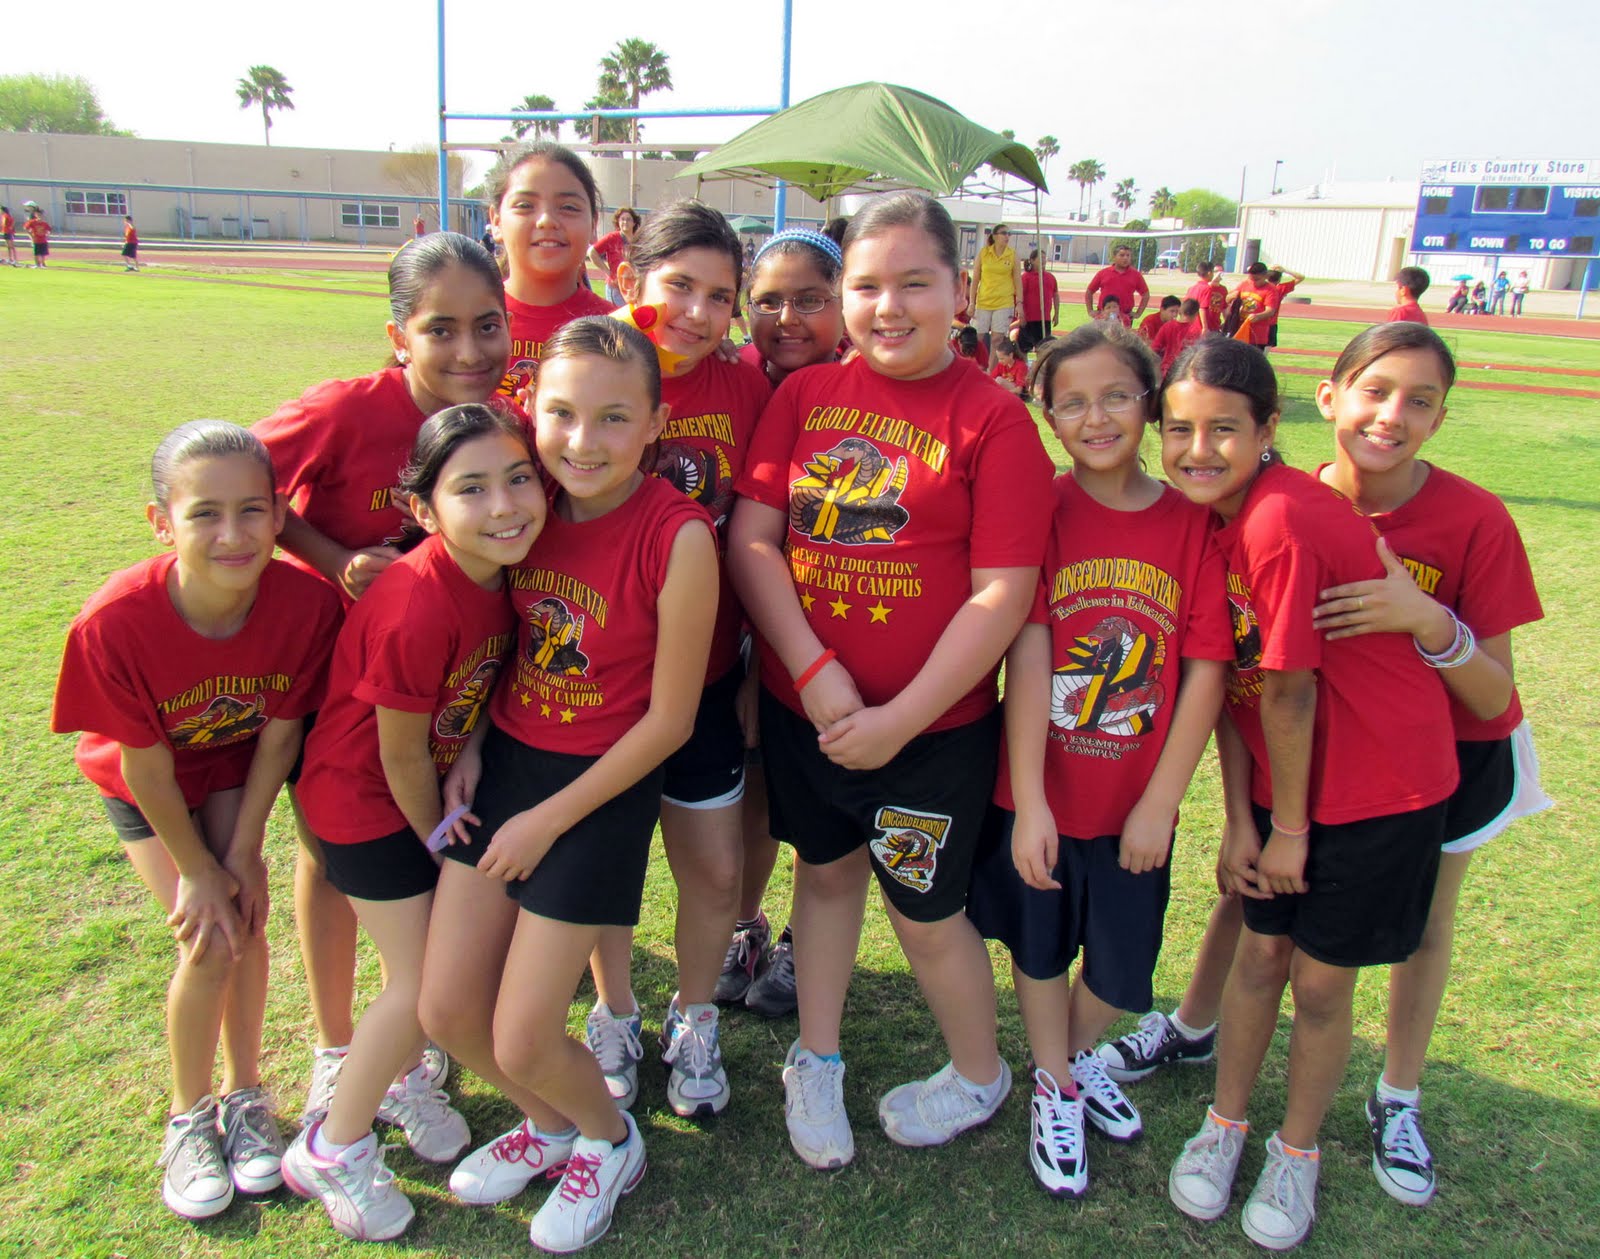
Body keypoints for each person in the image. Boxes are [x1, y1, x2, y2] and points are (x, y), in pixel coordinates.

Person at [729, 192, 1054, 1170]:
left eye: (915, 282)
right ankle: (815, 1055)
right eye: (866, 285)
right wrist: (816, 671)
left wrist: (902, 718)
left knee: (924, 909)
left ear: (961, 291)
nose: (888, 306)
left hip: (935, 732)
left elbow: (1003, 594)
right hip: (809, 713)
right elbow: (753, 538)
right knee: (822, 876)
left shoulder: (993, 421)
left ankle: (977, 1070)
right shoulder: (802, 397)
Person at [422, 317, 717, 1251]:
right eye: (560, 414)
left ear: (655, 425)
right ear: (530, 412)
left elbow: (667, 722)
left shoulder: (678, 535)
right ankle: (550, 1125)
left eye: (611, 418)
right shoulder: (527, 503)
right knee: (446, 1011)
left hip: (598, 793)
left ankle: (609, 1137)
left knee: (521, 1035)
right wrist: (469, 738)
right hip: (508, 765)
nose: (581, 441)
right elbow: (491, 631)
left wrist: (549, 820)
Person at [1157, 338, 1458, 1251]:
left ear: (1269, 431)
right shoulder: (1213, 518)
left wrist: (1288, 829)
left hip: (1379, 788)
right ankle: (1226, 1124)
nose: (1198, 449)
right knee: (1256, 959)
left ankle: (1298, 1150)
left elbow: (1290, 688)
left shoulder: (1278, 518)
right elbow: (1242, 689)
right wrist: (1244, 818)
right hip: (1289, 788)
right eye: (1179, 429)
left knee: (1321, 985)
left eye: (1223, 430)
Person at [251, 232, 512, 1122]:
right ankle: (337, 1045)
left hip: (438, 692)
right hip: (328, 680)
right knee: (326, 850)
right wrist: (333, 557)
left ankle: (407, 1043)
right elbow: (243, 480)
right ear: (399, 335)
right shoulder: (345, 409)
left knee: (396, 867)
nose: (470, 351)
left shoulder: (497, 422)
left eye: (488, 324)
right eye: (442, 329)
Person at [51, 421, 341, 1221]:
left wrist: (243, 851)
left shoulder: (306, 602)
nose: (232, 533)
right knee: (211, 932)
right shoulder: (116, 619)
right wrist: (200, 868)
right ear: (160, 522)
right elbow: (143, 763)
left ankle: (246, 1097)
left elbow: (281, 731)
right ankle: (188, 1116)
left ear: (281, 514)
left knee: (247, 912)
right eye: (204, 513)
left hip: (234, 764)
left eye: (252, 510)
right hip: (150, 781)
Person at [966, 322, 1230, 1198]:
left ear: (1150, 404)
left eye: (1117, 395)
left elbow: (1203, 671)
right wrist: (1031, 800)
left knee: (1120, 971)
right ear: (1046, 415)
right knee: (1038, 954)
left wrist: (1161, 799)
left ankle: (1074, 1058)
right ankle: (1058, 1082)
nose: (1097, 416)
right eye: (1071, 401)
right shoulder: (1041, 505)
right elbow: (1028, 649)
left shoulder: (1190, 521)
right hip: (1042, 787)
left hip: (1132, 802)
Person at [283, 405, 545, 1241]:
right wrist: (438, 843)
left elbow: (462, 695)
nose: (504, 504)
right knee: (423, 983)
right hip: (365, 806)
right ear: (424, 512)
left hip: (413, 791)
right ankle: (335, 1144)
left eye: (518, 478)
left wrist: (466, 744)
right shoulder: (414, 601)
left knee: (433, 976)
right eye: (472, 488)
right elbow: (397, 754)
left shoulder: (500, 569)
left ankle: (395, 1081)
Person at [1310, 323, 1547, 1207]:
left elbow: (1494, 696)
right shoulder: (1292, 500)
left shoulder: (1473, 517)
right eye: (1375, 390)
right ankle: (1191, 1026)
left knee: (1426, 922)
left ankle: (1397, 1095)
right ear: (1331, 396)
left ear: (1442, 418)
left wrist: (1426, 618)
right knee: (1255, 895)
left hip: (1456, 760)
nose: (1391, 415)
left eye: (1420, 400)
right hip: (1330, 753)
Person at [585, 200, 772, 1121]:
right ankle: (613, 1011)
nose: (697, 313)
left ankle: (694, 1016)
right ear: (630, 280)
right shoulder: (585, 360)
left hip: (700, 679)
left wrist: (747, 667)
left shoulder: (745, 387)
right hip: (593, 682)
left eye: (719, 296)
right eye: (678, 288)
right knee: (605, 865)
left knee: (711, 867)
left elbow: (756, 535)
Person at [720, 227, 850, 1020]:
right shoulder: (732, 379)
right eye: (768, 300)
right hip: (738, 616)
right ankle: (745, 923)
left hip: (830, 627)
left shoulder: (865, 384)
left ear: (842, 305)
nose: (788, 317)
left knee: (825, 794)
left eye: (810, 299)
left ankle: (811, 935)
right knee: (757, 787)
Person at [484, 142, 614, 402]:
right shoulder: (463, 318)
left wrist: (715, 351)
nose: (546, 220)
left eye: (568, 207)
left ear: (594, 224)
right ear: (496, 221)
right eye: (524, 205)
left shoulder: (620, 328)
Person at [970, 223, 1023, 358]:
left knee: (997, 340)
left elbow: (1018, 280)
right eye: (1004, 233)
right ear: (994, 236)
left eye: (1008, 234)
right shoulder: (984, 253)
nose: (1007, 236)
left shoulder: (1012, 255)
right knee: (977, 338)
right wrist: (971, 302)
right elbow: (975, 280)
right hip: (983, 302)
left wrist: (1019, 303)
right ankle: (973, 368)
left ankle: (991, 373)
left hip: (1004, 302)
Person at [587, 206, 640, 306]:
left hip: (632, 287)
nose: (625, 222)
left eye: (628, 219)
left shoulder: (638, 240)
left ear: (634, 223)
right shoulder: (612, 238)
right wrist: (608, 272)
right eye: (622, 219)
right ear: (618, 222)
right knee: (617, 316)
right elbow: (592, 252)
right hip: (616, 286)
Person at [1084, 245, 1149, 327]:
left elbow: (1146, 294)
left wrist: (1138, 313)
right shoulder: (1103, 273)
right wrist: (1090, 310)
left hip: (1125, 318)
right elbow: (1089, 291)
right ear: (1114, 257)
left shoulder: (1136, 275)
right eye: (1122, 255)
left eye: (1128, 255)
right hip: (1103, 316)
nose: (1125, 258)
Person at [1018, 252, 1060, 353]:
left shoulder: (1050, 277)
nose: (1044, 260)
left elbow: (1055, 295)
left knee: (1043, 348)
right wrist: (1021, 314)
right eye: (1040, 258)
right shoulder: (1026, 277)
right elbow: (1020, 296)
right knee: (1023, 348)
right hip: (1029, 319)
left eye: (1045, 258)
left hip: (1044, 319)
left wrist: (1057, 313)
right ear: (1032, 260)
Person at [1153, 297, 1204, 374]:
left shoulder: (1168, 326)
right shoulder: (1195, 331)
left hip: (1166, 369)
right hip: (1183, 372)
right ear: (1196, 314)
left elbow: (1155, 348)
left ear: (1180, 311)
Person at [1262, 267, 1305, 350]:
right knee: (1265, 352)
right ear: (1279, 280)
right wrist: (1285, 270)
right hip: (1271, 323)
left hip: (1257, 321)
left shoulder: (1261, 287)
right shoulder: (1280, 288)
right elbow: (1301, 277)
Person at [1187, 262, 1228, 332]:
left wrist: (1227, 323)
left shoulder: (1222, 289)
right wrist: (1205, 327)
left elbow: (1224, 308)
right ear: (1210, 273)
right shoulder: (1207, 288)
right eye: (1216, 272)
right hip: (1206, 328)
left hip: (1197, 328)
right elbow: (1202, 308)